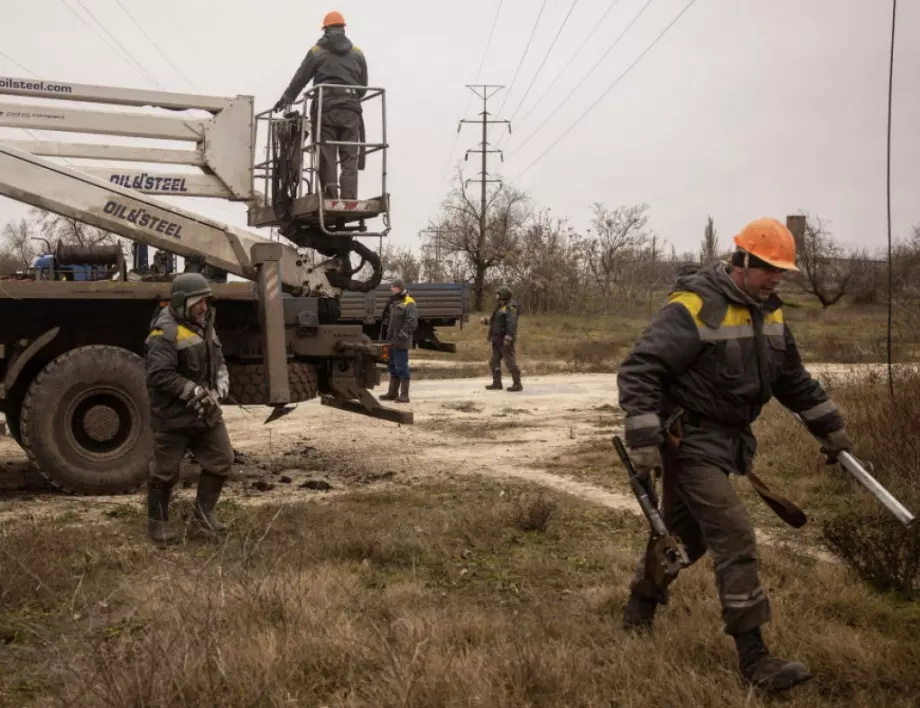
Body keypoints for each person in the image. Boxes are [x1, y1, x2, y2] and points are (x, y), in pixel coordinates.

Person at [616, 217, 853, 693]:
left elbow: (791, 379)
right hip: (691, 441)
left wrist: (831, 429)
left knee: (687, 539)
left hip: (730, 443)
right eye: (768, 268)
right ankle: (755, 658)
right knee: (735, 535)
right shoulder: (695, 306)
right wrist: (643, 438)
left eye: (782, 271)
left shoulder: (771, 311)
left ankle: (639, 608)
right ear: (741, 261)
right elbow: (640, 367)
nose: (776, 278)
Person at [145, 273, 234, 545]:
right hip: (172, 417)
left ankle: (203, 517)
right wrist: (191, 391)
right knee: (164, 473)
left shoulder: (205, 324)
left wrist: (221, 376)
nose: (204, 308)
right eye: (199, 302)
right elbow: (158, 375)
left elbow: (216, 358)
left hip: (205, 414)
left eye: (206, 301)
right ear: (183, 302)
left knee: (222, 460)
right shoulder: (164, 332)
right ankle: (158, 525)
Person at [273, 11, 368, 200]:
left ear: (325, 30)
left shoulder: (317, 51)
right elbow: (363, 86)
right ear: (343, 28)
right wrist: (350, 100)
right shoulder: (357, 53)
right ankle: (349, 198)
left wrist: (286, 98)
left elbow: (301, 78)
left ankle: (330, 196)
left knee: (327, 153)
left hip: (326, 110)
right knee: (350, 157)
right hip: (351, 110)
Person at [378, 278, 418, 404]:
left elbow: (411, 322)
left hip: (400, 341)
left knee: (401, 367)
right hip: (390, 340)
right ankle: (392, 393)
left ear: (399, 288)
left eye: (393, 287)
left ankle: (404, 396)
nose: (391, 289)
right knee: (391, 366)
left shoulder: (409, 302)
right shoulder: (393, 302)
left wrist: (402, 335)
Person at [484, 285, 523, 392]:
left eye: (498, 294)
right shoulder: (499, 307)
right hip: (496, 340)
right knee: (494, 362)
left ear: (504, 295)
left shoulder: (511, 307)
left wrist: (509, 337)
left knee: (510, 362)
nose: (496, 296)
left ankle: (517, 384)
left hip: (505, 340)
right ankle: (497, 383)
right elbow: (495, 321)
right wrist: (486, 321)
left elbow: (512, 323)